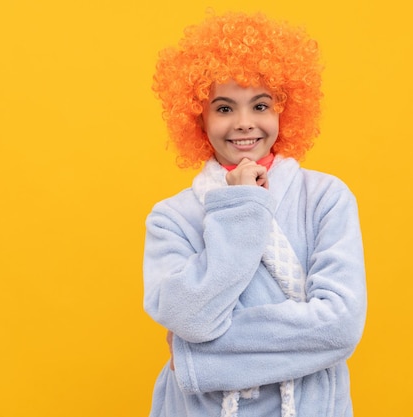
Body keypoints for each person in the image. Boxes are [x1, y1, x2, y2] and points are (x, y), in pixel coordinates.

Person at [143, 11, 367, 417]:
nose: (244, 124)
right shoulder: (171, 218)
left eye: (260, 105)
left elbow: (339, 327)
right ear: (198, 117)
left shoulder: (326, 198)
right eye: (224, 109)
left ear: (285, 109)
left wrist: (197, 360)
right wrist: (241, 207)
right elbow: (188, 316)